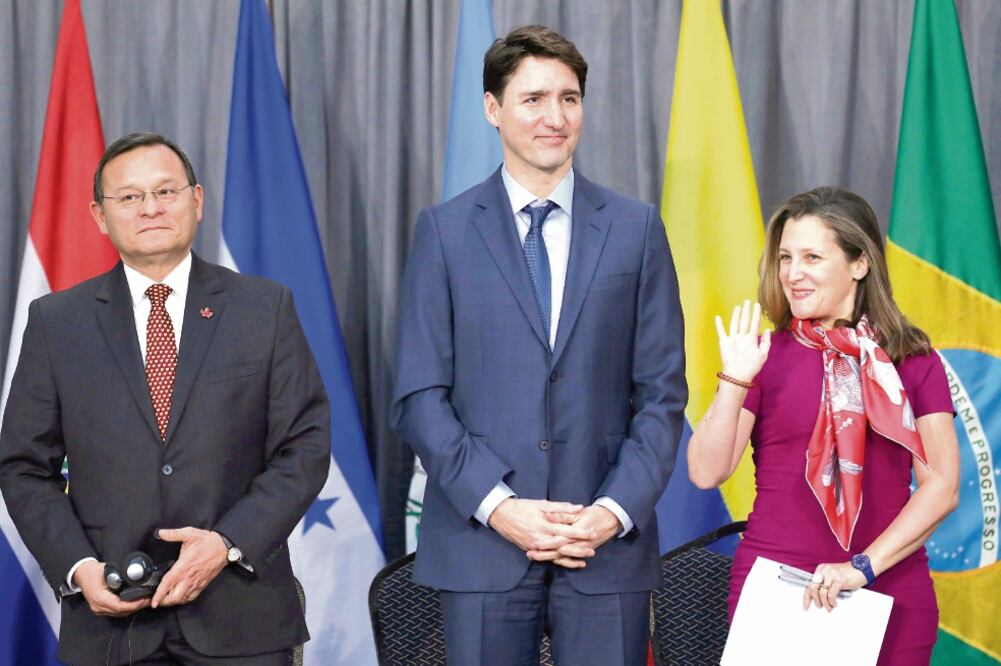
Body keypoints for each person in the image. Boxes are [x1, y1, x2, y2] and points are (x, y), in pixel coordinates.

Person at [391, 25, 686, 666]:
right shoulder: (443, 233)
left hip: (605, 548)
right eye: (533, 99)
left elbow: (662, 395)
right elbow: (419, 397)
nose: (555, 117)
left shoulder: (636, 229)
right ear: (493, 109)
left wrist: (611, 511)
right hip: (483, 543)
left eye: (570, 98)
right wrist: (502, 509)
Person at [0, 132, 331, 665]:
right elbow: (23, 468)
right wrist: (79, 567)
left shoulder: (263, 309)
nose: (150, 208)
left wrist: (225, 543)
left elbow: (304, 448)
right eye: (129, 197)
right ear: (100, 216)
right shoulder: (56, 323)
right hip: (110, 621)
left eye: (166, 191)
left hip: (240, 619)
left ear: (196, 201)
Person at [688, 187, 959, 664]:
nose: (793, 273)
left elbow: (942, 487)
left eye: (812, 257)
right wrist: (733, 378)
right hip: (777, 596)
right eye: (786, 257)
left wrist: (861, 568)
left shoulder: (914, 361)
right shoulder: (762, 357)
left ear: (860, 263)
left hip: (889, 593)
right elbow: (706, 472)